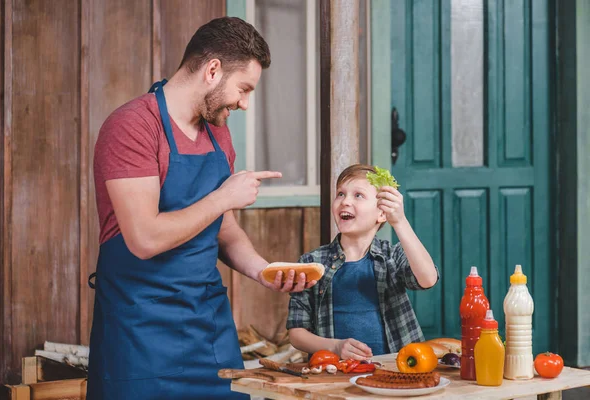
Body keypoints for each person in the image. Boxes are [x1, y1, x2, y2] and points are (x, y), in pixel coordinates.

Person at [87, 17, 316, 400]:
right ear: (212, 70)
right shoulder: (132, 127)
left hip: (207, 330)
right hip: (138, 333)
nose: (244, 103)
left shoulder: (218, 134)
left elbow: (222, 229)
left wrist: (264, 271)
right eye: (243, 88)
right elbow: (144, 237)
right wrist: (224, 195)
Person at [286, 164, 439, 360]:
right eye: (340, 194)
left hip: (399, 369)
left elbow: (428, 279)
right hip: (336, 372)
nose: (345, 201)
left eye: (358, 195)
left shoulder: (392, 256)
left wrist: (400, 221)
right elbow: (296, 333)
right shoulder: (311, 263)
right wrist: (335, 347)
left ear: (381, 213)